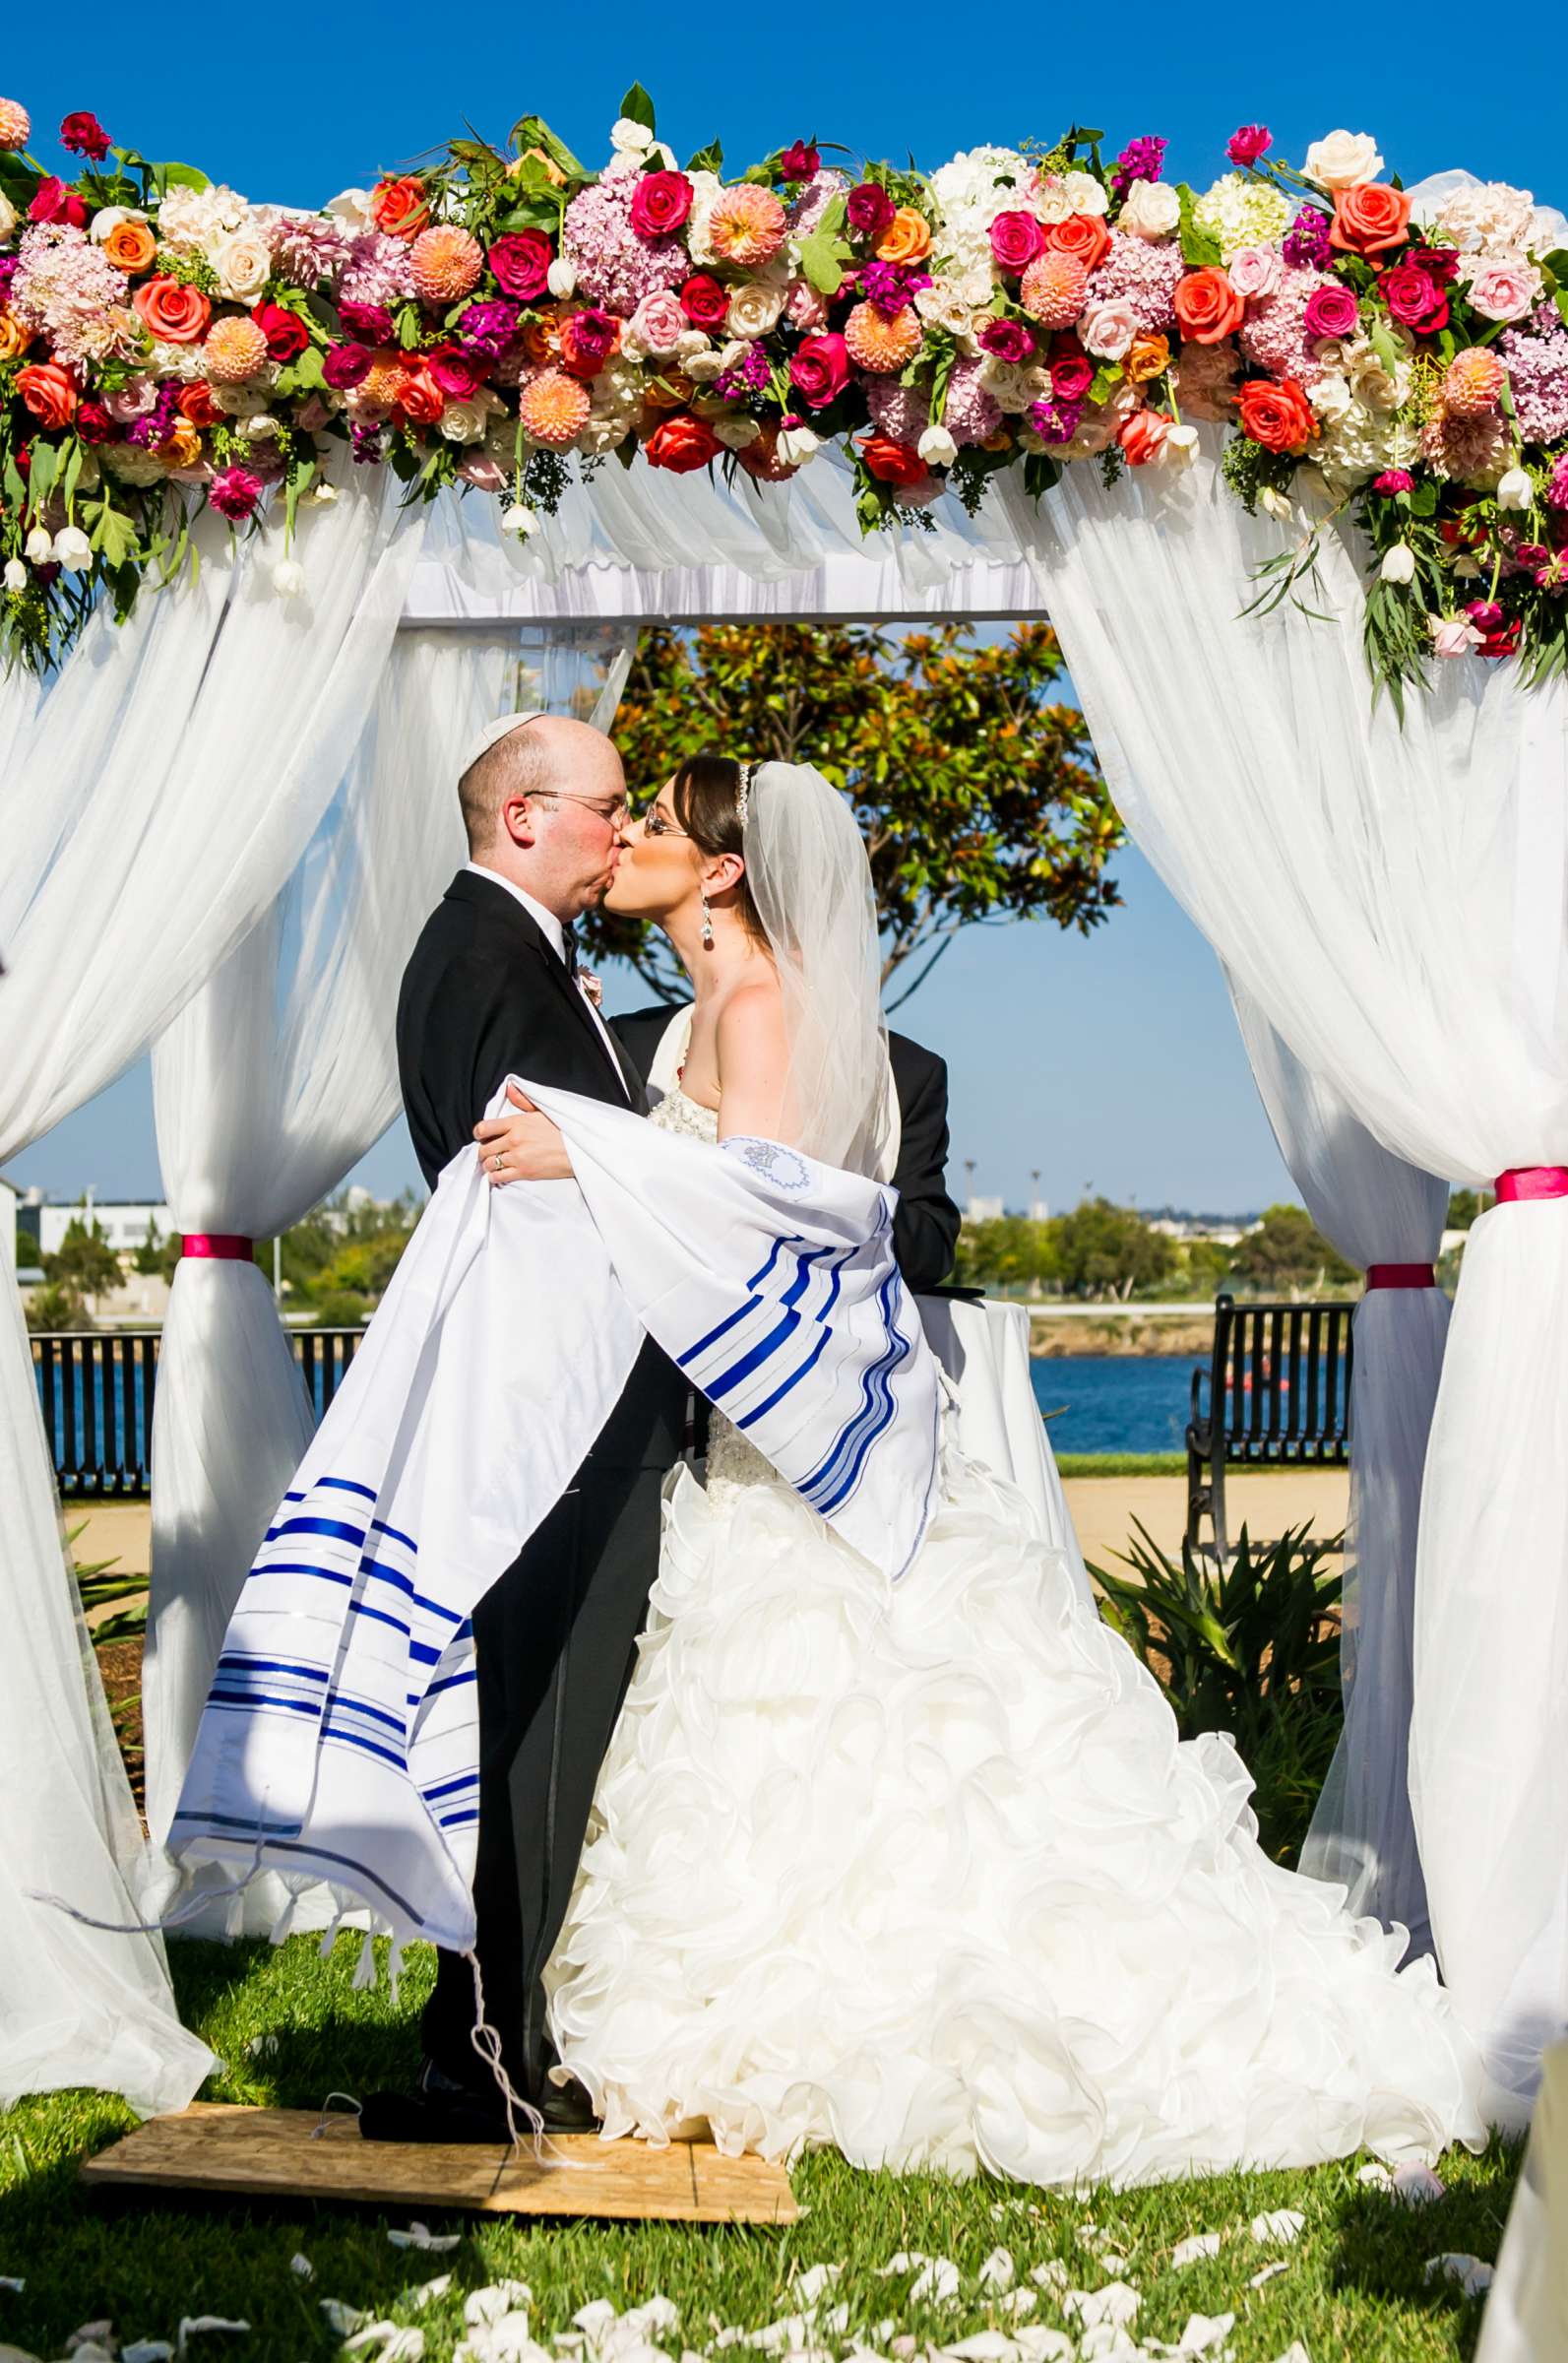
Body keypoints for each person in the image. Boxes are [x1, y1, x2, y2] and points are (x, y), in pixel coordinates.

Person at [476, 754, 1487, 2187]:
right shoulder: (712, 1011)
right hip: (738, 1452)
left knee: (872, 1726)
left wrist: (586, 1160)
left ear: (717, 872)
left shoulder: (758, 1007)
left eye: (650, 824)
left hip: (793, 1455)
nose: (626, 839)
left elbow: (757, 1221)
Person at [382, 710, 687, 2140]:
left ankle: (501, 2028)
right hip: (560, 1416)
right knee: (533, 1732)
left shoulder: (513, 955)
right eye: (608, 809)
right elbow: (512, 1188)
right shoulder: (483, 960)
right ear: (521, 814)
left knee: (549, 1734)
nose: (622, 836)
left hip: (590, 1408)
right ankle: (483, 2052)